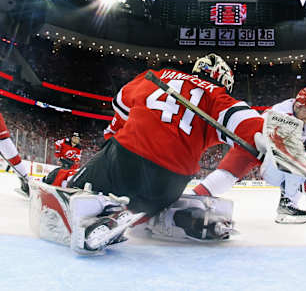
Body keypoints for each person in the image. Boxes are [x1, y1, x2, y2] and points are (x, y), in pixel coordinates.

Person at [39, 53, 265, 253]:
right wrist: (271, 142)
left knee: (74, 183)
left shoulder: (157, 75)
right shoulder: (219, 97)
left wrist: (113, 138)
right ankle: (140, 214)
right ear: (225, 82)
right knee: (150, 204)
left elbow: (120, 104)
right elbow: (252, 125)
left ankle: (71, 186)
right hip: (171, 179)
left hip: (126, 154)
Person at [193, 87, 306, 224]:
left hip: (285, 149)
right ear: (298, 106)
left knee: (297, 166)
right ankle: (196, 196)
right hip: (261, 144)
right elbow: (270, 143)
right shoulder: (278, 114)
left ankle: (289, 204)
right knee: (229, 171)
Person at [0, 112, 29, 195]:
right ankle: (25, 181)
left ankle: (26, 182)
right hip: (3, 138)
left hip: (3, 137)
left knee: (15, 159)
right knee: (14, 159)